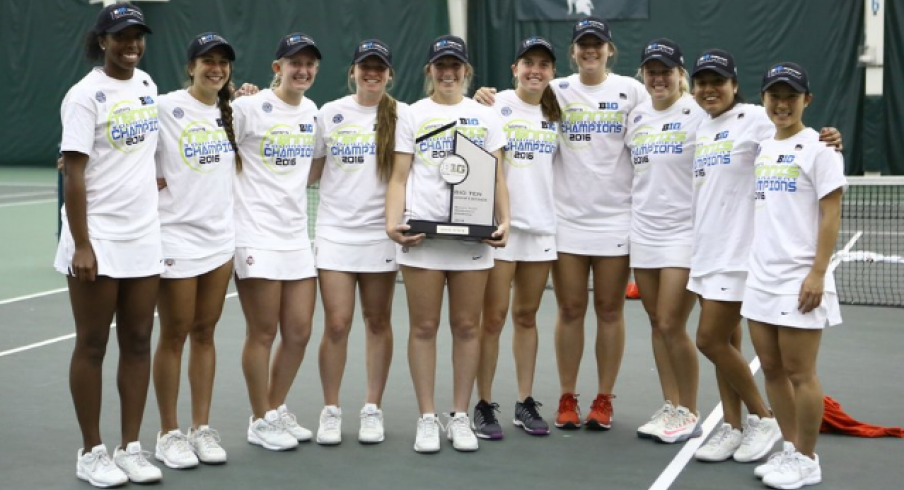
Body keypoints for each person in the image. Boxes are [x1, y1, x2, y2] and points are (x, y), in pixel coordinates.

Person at [476, 16, 648, 432]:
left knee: (591, 311)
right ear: (573, 54)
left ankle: (593, 400)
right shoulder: (524, 99)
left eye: (598, 44)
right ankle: (496, 404)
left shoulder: (627, 91)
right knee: (512, 316)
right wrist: (478, 97)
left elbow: (670, 115)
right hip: (536, 227)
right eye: (583, 45)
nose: (591, 50)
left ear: (609, 49)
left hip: (590, 225)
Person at [688, 50, 842, 463]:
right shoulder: (703, 124)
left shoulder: (757, 119)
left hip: (744, 256)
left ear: (736, 86)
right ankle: (737, 425)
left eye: (717, 82)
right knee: (737, 348)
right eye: (701, 82)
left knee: (711, 339)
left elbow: (807, 151)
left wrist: (830, 136)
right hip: (715, 254)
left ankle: (763, 418)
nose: (708, 89)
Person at [385, 35, 510, 453]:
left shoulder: (485, 116)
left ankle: (459, 415)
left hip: (471, 240)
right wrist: (392, 222)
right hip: (424, 238)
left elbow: (495, 178)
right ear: (429, 71)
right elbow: (400, 176)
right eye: (441, 65)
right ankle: (426, 417)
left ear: (466, 71)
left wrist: (504, 220)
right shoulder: (412, 114)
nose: (448, 72)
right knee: (423, 327)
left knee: (467, 326)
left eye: (456, 65)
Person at [56, 3, 163, 486]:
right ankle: (91, 450)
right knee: (94, 344)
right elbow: (73, 172)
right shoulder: (83, 96)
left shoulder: (147, 86)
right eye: (121, 36)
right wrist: (81, 243)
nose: (131, 44)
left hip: (143, 235)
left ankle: (131, 446)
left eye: (137, 36)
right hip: (96, 236)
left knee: (139, 341)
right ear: (102, 41)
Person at [744, 62, 845, 489]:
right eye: (774, 95)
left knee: (801, 372)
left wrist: (817, 273)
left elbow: (831, 213)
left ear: (807, 100)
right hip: (760, 277)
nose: (782, 103)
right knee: (770, 368)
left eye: (791, 96)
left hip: (800, 278)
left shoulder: (822, 150)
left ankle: (808, 457)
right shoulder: (762, 145)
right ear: (764, 99)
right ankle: (790, 448)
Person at [309, 39, 407, 445]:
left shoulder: (403, 115)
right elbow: (309, 172)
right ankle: (330, 410)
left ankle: (372, 408)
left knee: (378, 321)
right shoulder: (328, 113)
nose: (372, 73)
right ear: (352, 72)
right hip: (334, 234)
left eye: (379, 67)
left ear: (389, 74)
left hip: (381, 235)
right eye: (364, 66)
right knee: (336, 323)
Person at [232, 32, 323, 452]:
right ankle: (258, 418)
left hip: (295, 238)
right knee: (263, 332)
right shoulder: (248, 107)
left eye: (309, 64)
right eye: (294, 63)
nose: (302, 70)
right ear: (277, 68)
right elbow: (214, 146)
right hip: (254, 235)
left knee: (300, 331)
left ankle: (274, 406)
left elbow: (316, 166)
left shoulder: (313, 111)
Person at [151, 32, 238, 469]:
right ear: (190, 67)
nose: (216, 68)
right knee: (175, 333)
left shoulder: (233, 113)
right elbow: (119, 135)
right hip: (176, 239)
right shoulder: (165, 107)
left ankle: (200, 428)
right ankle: (168, 433)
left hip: (220, 241)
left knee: (205, 333)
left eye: (223, 62)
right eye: (207, 61)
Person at [472, 36, 560, 440]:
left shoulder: (556, 112)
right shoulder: (492, 105)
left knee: (526, 317)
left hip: (541, 229)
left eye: (543, 64)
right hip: (500, 230)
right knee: (492, 319)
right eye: (528, 63)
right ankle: (484, 404)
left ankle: (525, 402)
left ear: (553, 73)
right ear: (514, 68)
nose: (535, 70)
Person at [626, 38, 704, 444]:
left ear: (680, 74)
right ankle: (670, 404)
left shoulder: (698, 113)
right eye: (652, 71)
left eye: (666, 71)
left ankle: (690, 411)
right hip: (644, 233)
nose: (659, 78)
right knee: (657, 323)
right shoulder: (635, 116)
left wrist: (825, 138)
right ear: (644, 75)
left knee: (674, 322)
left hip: (684, 236)